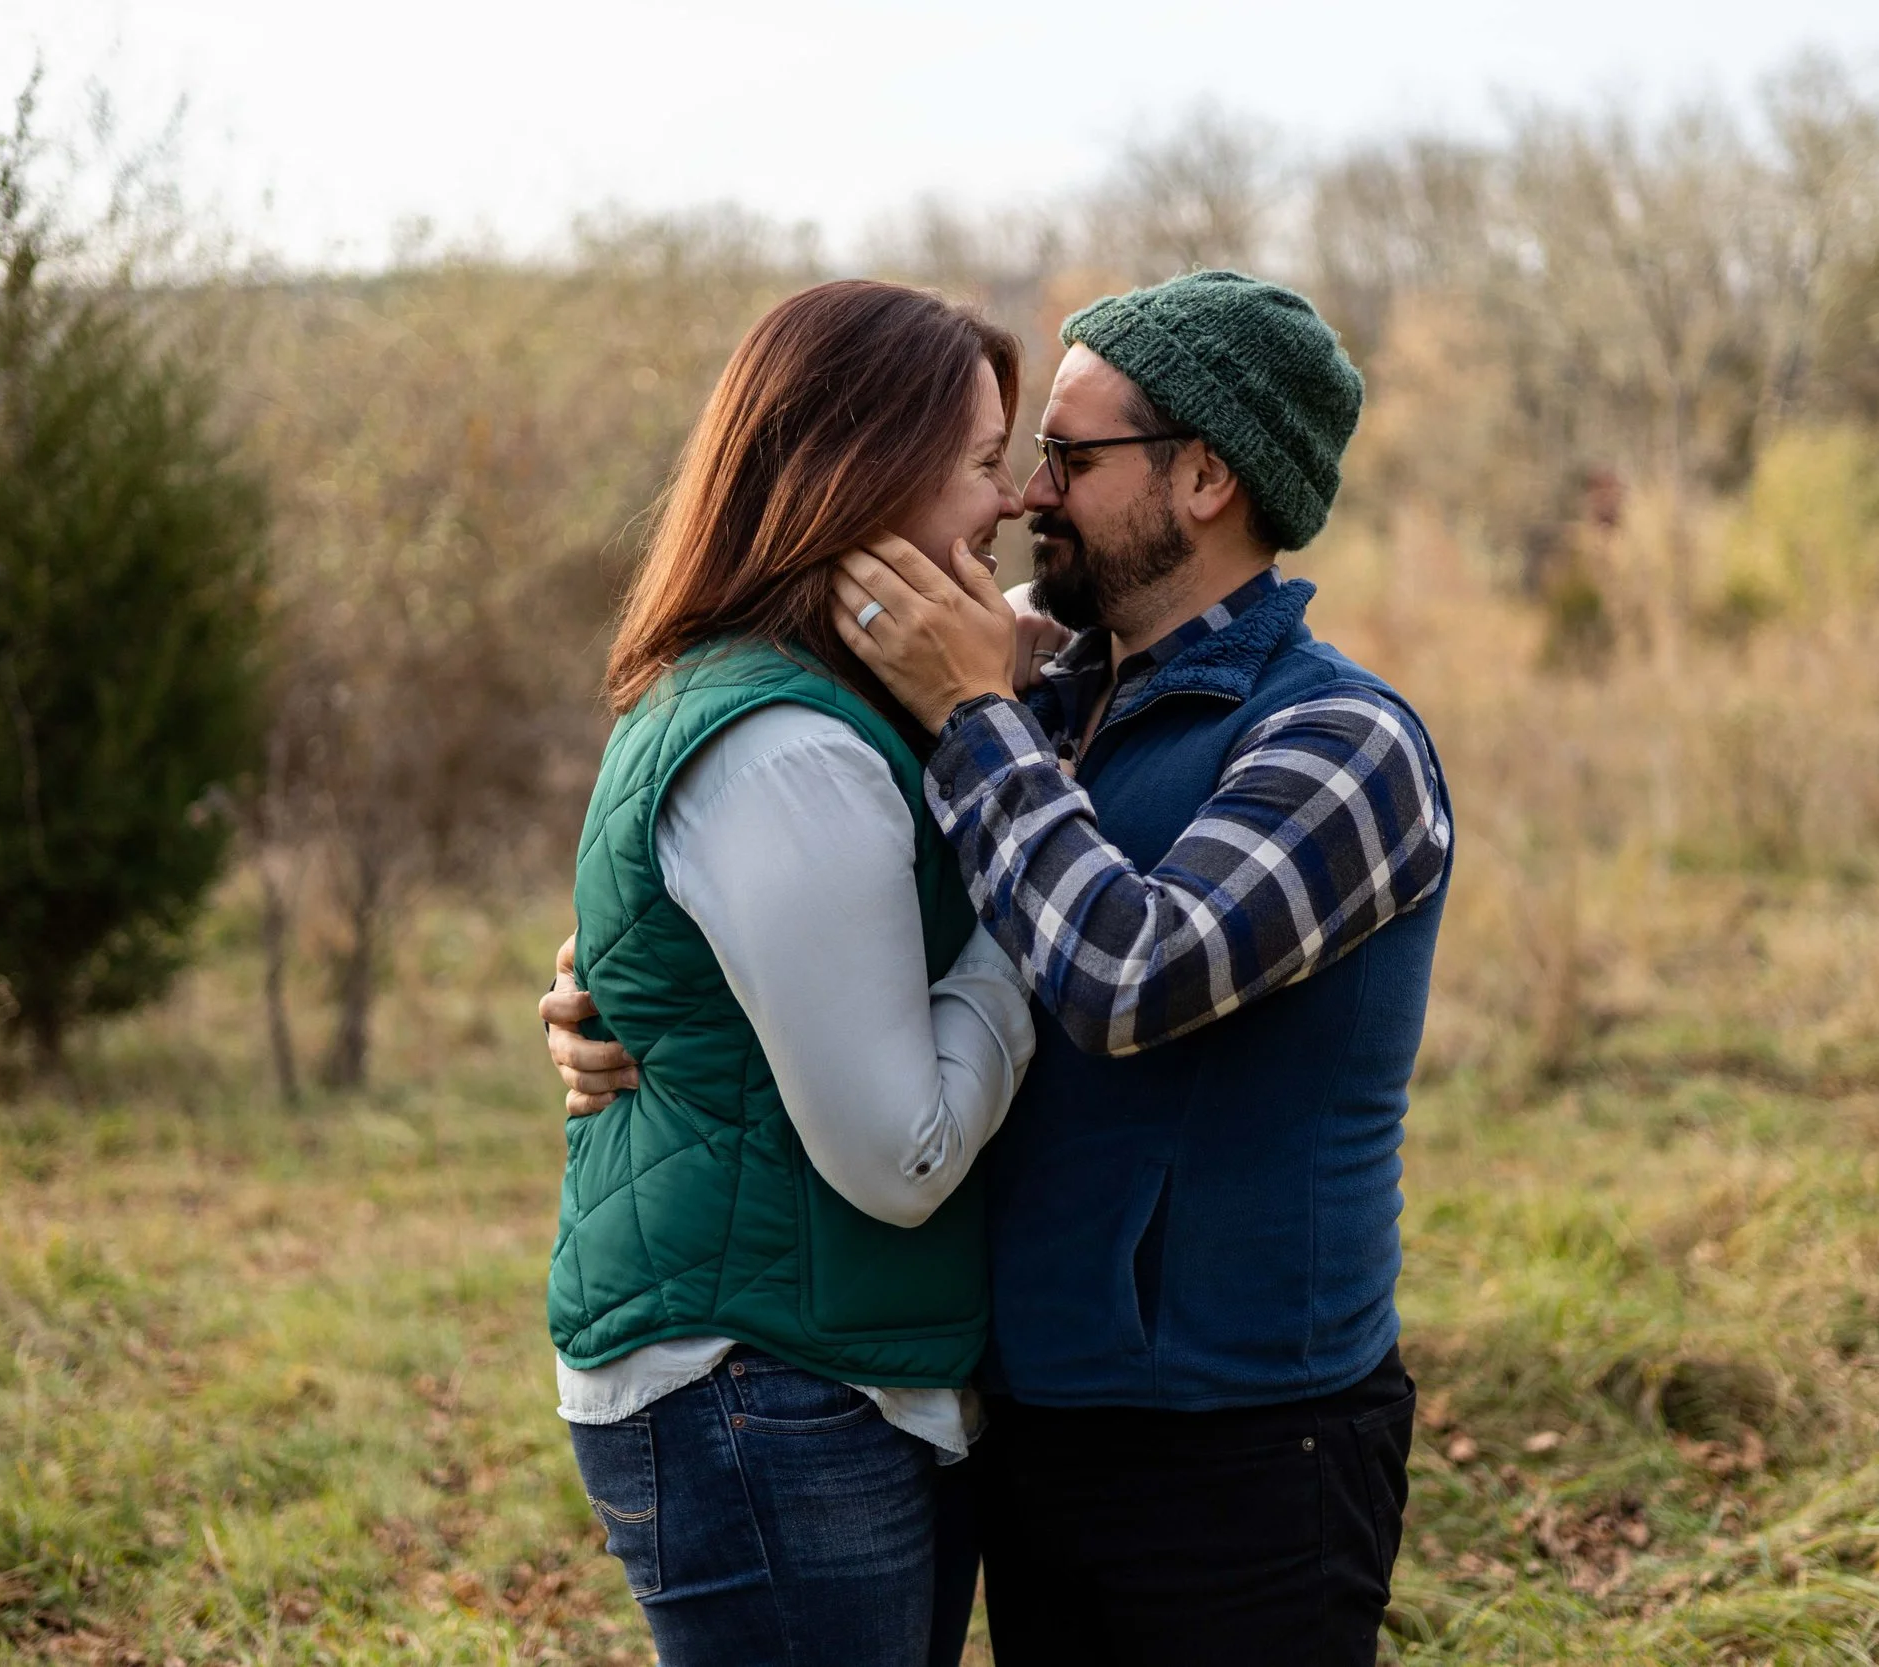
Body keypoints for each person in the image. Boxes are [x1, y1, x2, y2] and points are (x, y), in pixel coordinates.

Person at [554, 269, 1453, 1667]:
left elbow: (1127, 974)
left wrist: (977, 709)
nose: (1031, 494)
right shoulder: (1045, 696)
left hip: (1245, 1447)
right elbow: (803, 877)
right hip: (1032, 1419)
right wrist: (626, 991)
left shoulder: (1340, 745)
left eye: (1069, 456)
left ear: (1205, 475)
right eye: (1018, 456)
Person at [538, 278, 1043, 1667]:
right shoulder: (793, 753)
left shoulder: (808, 699)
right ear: (862, 478)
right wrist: (1029, 906)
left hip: (818, 1369)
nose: (1010, 503)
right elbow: (905, 1152)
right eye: (987, 464)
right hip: (767, 1387)